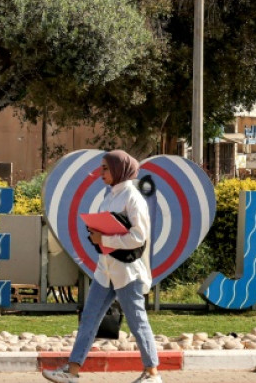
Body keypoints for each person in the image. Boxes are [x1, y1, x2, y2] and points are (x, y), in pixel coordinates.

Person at [43, 150, 162, 383]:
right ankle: (72, 372)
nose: (101, 173)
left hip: (127, 273)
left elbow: (139, 237)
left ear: (120, 169)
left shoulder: (132, 197)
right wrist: (96, 233)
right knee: (89, 318)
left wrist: (105, 239)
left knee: (137, 322)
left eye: (106, 168)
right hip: (105, 271)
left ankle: (152, 374)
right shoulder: (109, 196)